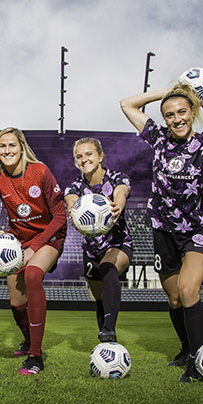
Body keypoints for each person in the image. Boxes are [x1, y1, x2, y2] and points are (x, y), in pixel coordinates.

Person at [120, 81, 203, 382]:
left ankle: (196, 361)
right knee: (174, 300)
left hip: (195, 232)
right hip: (163, 231)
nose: (176, 119)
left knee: (188, 290)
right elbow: (127, 104)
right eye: (169, 114)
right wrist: (168, 93)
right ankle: (184, 348)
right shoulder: (157, 138)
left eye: (182, 111)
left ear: (193, 112)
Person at [0, 127, 67, 375]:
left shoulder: (39, 171)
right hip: (19, 240)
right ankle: (28, 340)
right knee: (17, 303)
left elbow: (60, 217)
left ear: (21, 148)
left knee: (32, 274)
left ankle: (35, 356)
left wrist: (34, 248)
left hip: (49, 237)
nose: (7, 150)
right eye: (2, 146)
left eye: (12, 145)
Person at [64, 138, 132, 343]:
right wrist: (72, 208)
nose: (84, 159)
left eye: (89, 154)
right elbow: (71, 199)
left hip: (118, 244)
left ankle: (109, 330)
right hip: (91, 251)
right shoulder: (75, 187)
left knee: (107, 267)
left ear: (100, 156)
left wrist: (117, 204)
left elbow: (122, 191)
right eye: (79, 156)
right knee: (100, 299)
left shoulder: (117, 177)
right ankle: (106, 340)